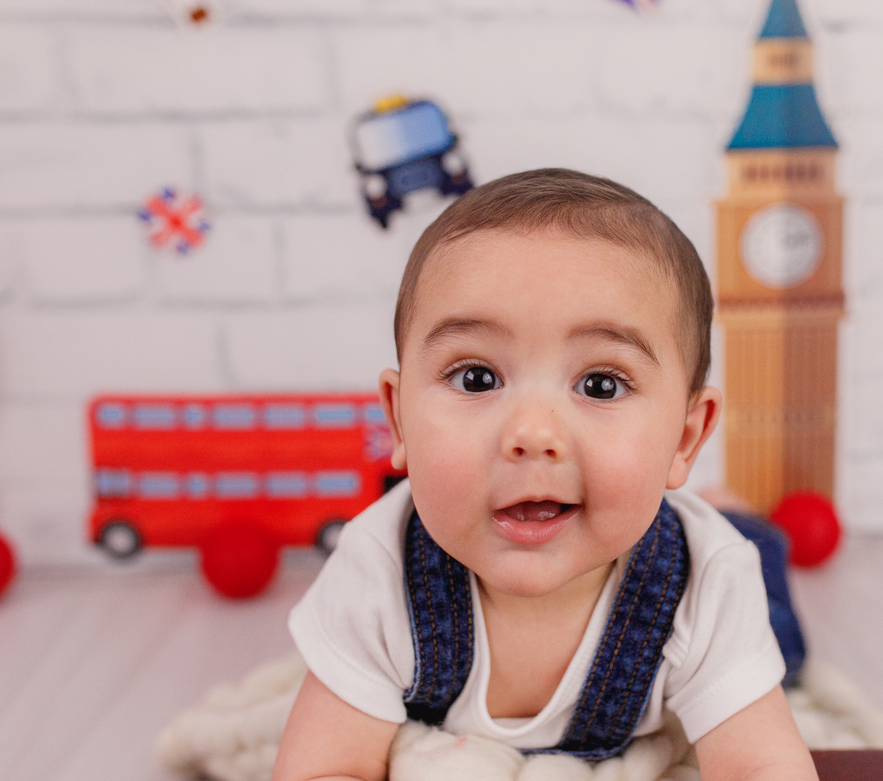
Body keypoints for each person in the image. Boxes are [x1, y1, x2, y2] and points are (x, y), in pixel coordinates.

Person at [274, 169, 817, 781]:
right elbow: (323, 767)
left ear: (684, 438)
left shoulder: (707, 578)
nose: (533, 433)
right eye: (477, 378)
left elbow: (762, 766)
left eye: (600, 385)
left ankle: (744, 520)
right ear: (399, 419)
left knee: (783, 647)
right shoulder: (378, 570)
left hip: (727, 570)